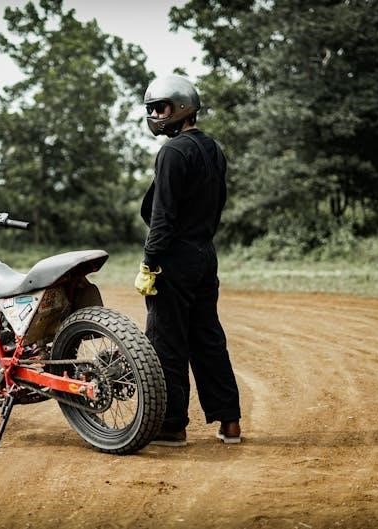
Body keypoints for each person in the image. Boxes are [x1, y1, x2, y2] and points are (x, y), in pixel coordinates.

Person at [134, 74, 242, 446]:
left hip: (175, 258)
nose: (154, 115)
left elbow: (163, 216)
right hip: (204, 255)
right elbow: (217, 203)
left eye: (160, 108)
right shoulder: (213, 149)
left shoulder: (173, 152)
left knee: (167, 340)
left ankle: (172, 425)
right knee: (208, 338)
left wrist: (150, 262)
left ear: (181, 107)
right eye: (151, 109)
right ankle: (230, 421)